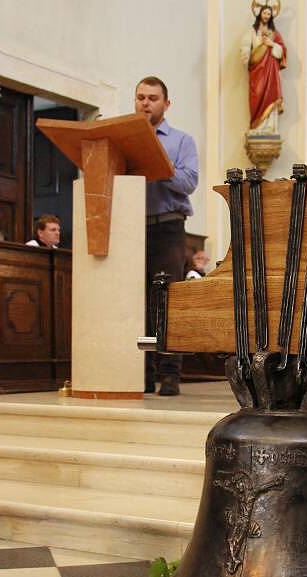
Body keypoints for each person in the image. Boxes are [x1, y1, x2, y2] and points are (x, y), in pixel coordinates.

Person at [134, 75, 199, 396]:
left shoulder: (181, 141)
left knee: (165, 302)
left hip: (168, 228)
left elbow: (189, 183)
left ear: (166, 104)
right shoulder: (126, 138)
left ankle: (170, 373)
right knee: (138, 304)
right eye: (141, 97)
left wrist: (157, 160)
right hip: (131, 228)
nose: (145, 103)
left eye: (152, 98)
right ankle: (143, 372)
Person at [240, 3, 287, 134]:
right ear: (260, 14)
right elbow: (245, 45)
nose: (266, 16)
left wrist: (271, 43)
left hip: (271, 72)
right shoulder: (253, 31)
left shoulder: (274, 34)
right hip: (257, 71)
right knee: (257, 94)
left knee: (271, 96)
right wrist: (245, 55)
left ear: (271, 16)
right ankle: (256, 127)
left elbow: (281, 52)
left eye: (269, 14)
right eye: (264, 13)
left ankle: (270, 128)